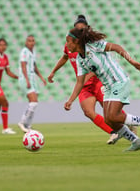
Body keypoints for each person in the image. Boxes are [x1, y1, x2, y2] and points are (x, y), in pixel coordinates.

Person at [64, 26, 140, 151]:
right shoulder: (80, 60)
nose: (66, 44)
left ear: (76, 41)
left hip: (119, 81)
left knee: (113, 116)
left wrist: (132, 62)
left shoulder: (93, 45)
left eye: (68, 41)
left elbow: (116, 47)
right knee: (108, 120)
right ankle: (136, 141)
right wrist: (70, 100)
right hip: (108, 87)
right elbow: (80, 82)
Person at [48, 15, 121, 144]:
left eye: (83, 29)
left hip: (98, 82)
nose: (80, 32)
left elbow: (96, 66)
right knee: (88, 111)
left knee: (112, 113)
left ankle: (128, 125)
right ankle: (113, 133)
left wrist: (86, 77)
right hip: (83, 86)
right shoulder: (69, 46)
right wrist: (53, 71)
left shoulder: (91, 46)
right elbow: (64, 57)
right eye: (78, 29)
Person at [17, 35, 47, 132]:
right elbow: (23, 66)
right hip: (26, 78)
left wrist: (42, 78)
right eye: (29, 41)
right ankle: (22, 122)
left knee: (34, 103)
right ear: (26, 42)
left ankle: (28, 125)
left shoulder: (33, 52)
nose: (31, 42)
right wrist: (26, 80)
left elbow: (34, 66)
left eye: (32, 41)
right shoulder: (24, 52)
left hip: (32, 78)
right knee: (33, 101)